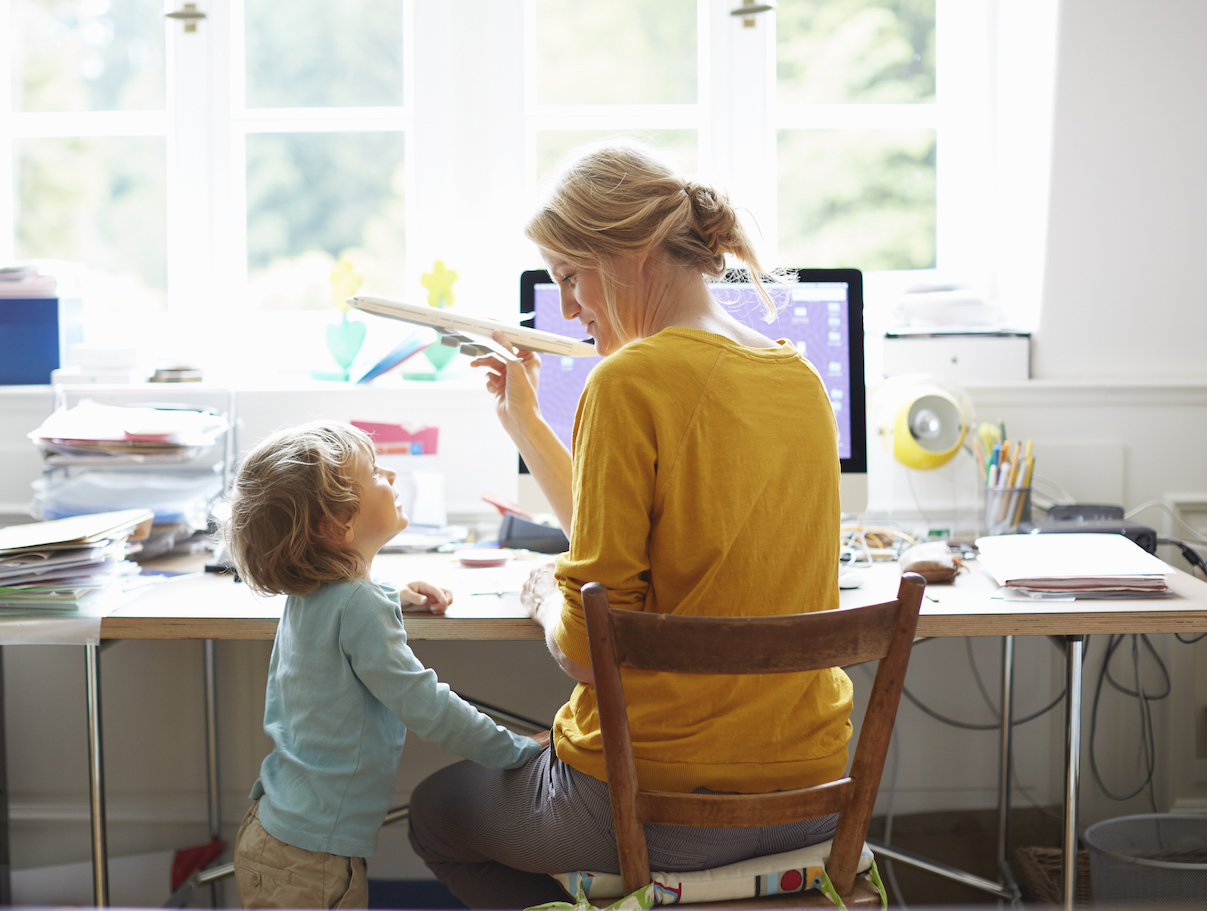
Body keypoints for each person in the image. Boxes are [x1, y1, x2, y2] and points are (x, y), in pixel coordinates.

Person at [407, 141, 853, 909]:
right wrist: (525, 422)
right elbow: (629, 545)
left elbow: (589, 650)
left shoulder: (626, 381)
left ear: (634, 251)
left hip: (656, 806)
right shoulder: (799, 376)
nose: (569, 307)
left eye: (569, 276)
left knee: (433, 814)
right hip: (810, 794)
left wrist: (544, 589)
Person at [224, 421, 545, 909]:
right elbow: (427, 707)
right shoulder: (360, 608)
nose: (391, 473)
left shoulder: (313, 594)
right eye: (373, 471)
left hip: (276, 830)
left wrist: (396, 596)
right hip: (312, 860)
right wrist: (519, 752)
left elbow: (341, 615)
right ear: (337, 526)